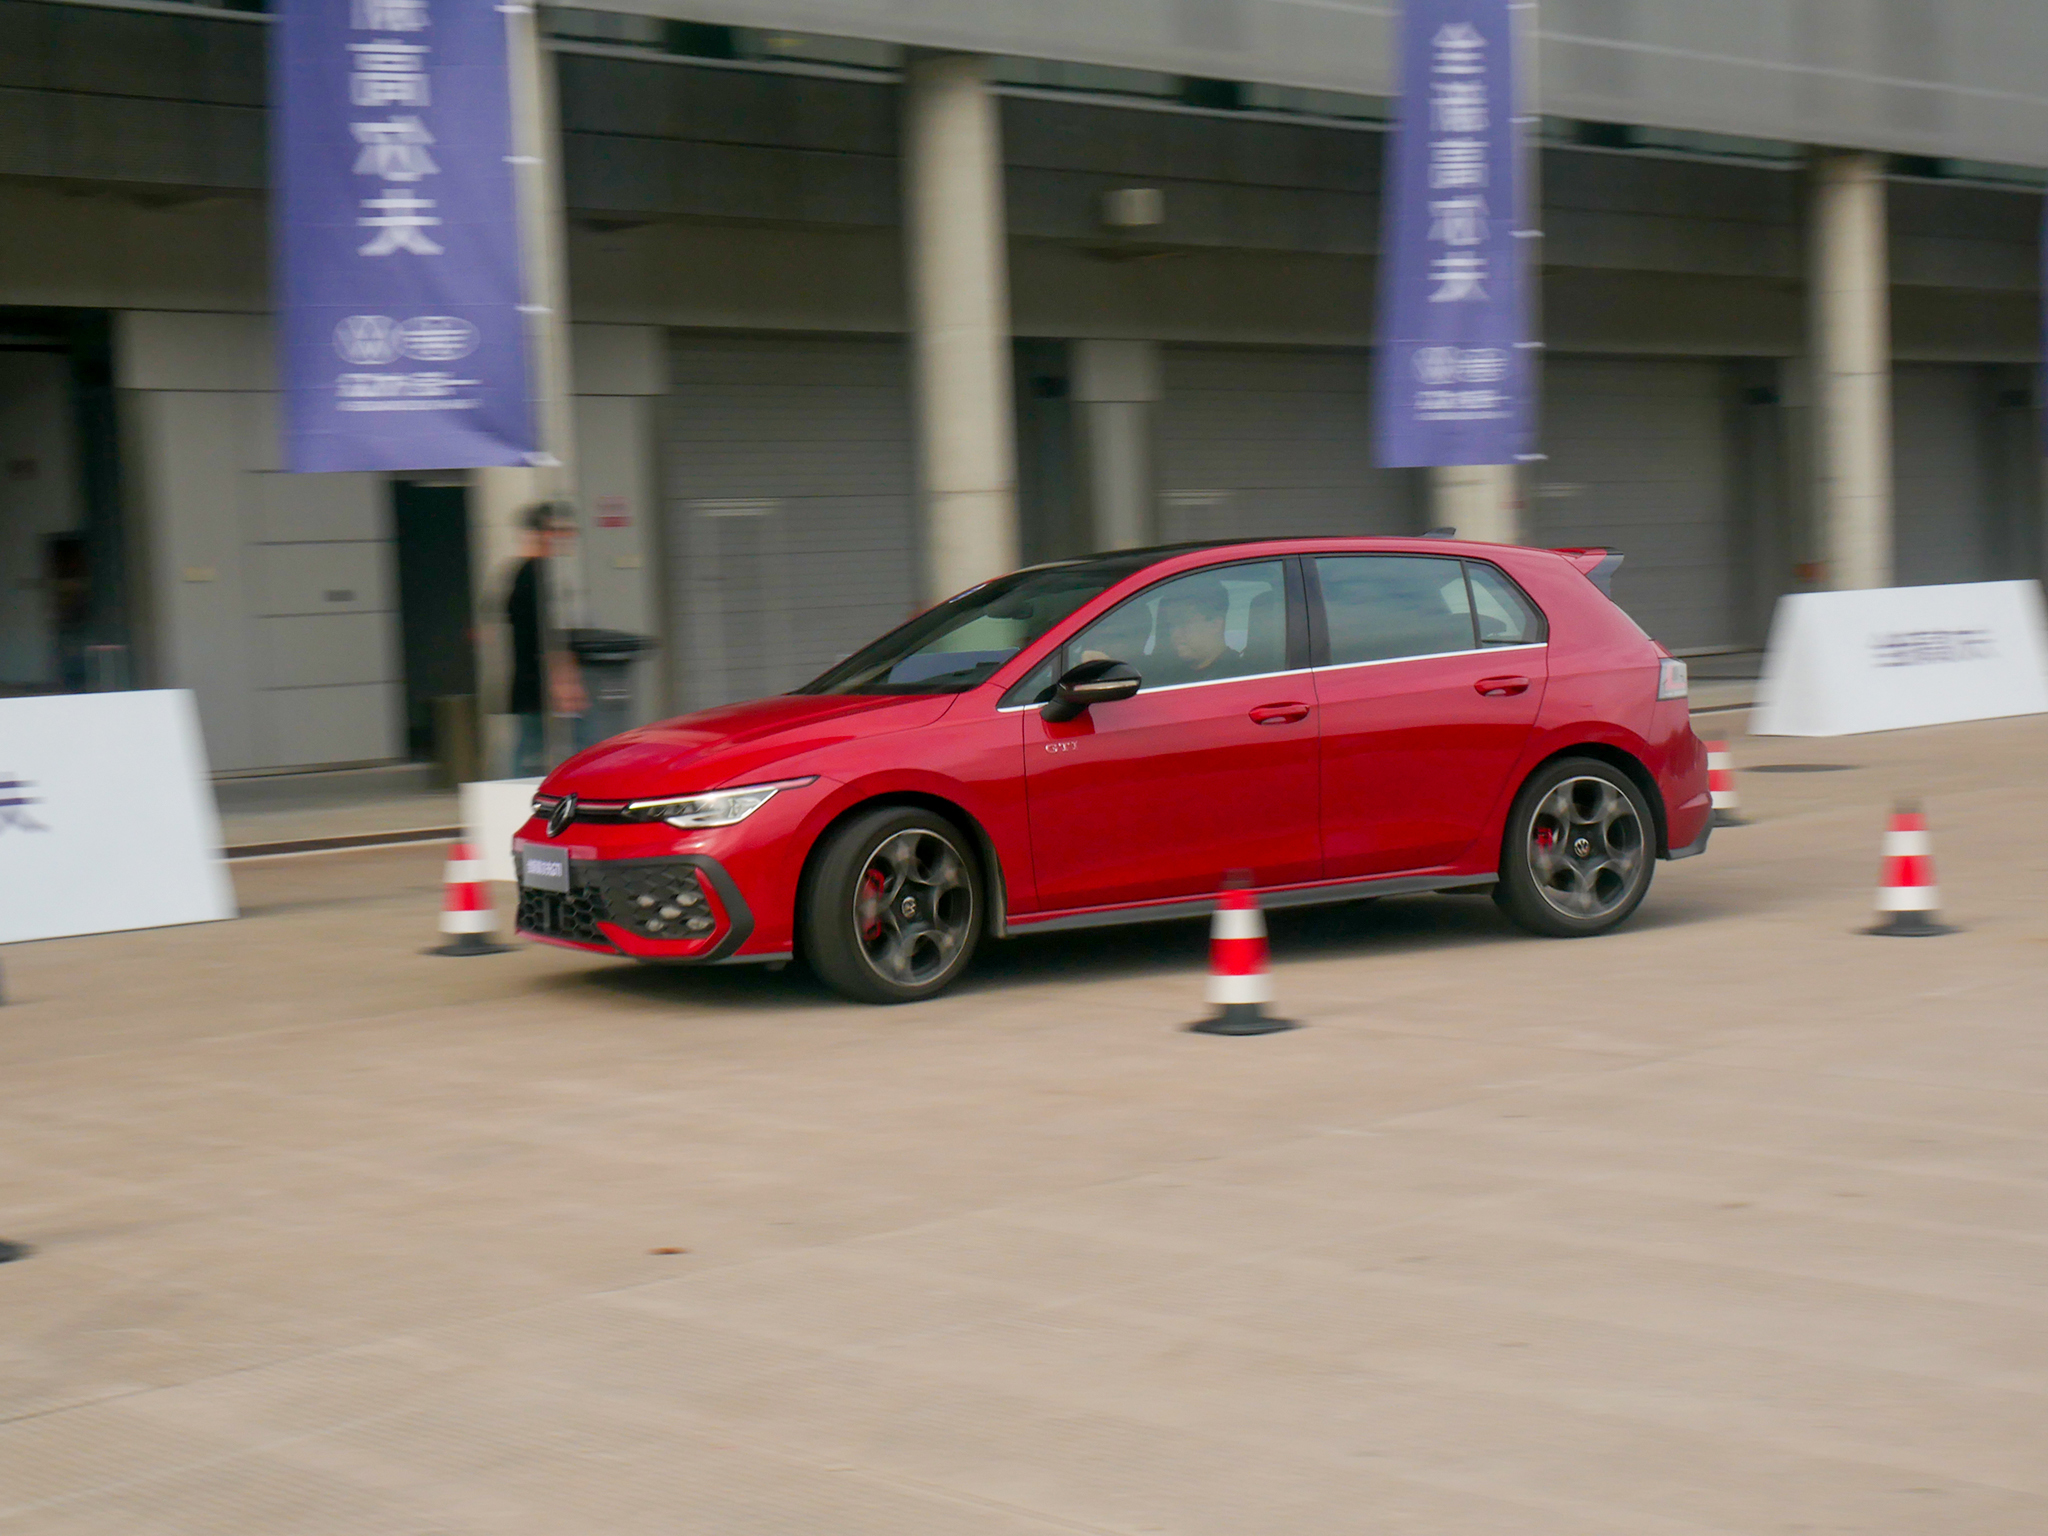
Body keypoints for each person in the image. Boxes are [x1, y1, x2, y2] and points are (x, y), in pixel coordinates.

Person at [506, 503, 585, 777]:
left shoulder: (532, 573)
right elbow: (545, 634)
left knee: (531, 748)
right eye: (560, 530)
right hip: (541, 681)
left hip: (535, 680)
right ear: (544, 533)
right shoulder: (537, 576)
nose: (568, 536)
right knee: (536, 749)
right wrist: (564, 680)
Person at [1154, 580, 1242, 683]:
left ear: (1216, 624)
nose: (1174, 634)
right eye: (1171, 625)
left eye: (1183, 623)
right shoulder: (1165, 679)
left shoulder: (1239, 679)